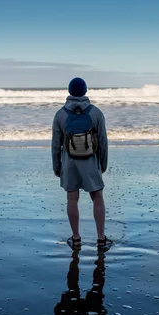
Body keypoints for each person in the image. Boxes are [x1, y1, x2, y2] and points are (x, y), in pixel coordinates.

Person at [52, 77, 112, 250]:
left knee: (72, 199)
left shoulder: (61, 114)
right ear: (85, 91)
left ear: (69, 92)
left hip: (69, 163)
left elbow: (56, 144)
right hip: (91, 161)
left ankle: (76, 238)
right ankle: (101, 239)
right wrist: (103, 164)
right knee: (97, 198)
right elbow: (103, 141)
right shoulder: (96, 113)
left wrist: (57, 167)